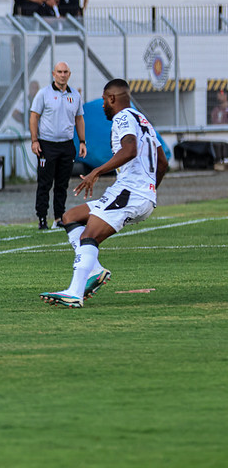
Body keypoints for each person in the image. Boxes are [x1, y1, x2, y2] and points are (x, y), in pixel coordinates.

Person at [40, 79, 169, 308]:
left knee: (88, 236)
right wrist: (150, 192)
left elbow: (130, 150)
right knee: (70, 217)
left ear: (112, 98)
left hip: (130, 192)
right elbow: (162, 163)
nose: (102, 106)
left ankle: (74, 292)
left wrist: (96, 171)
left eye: (103, 100)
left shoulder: (122, 117)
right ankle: (95, 270)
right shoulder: (143, 120)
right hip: (137, 194)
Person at [30, 61, 86, 230]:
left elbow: (79, 119)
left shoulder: (75, 95)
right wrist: (34, 140)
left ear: (69, 74)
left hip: (67, 145)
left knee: (62, 184)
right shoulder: (43, 94)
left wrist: (82, 141)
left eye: (65, 72)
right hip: (47, 145)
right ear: (53, 74)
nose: (62, 75)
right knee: (45, 183)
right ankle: (42, 218)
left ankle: (59, 217)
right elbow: (34, 117)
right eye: (59, 72)